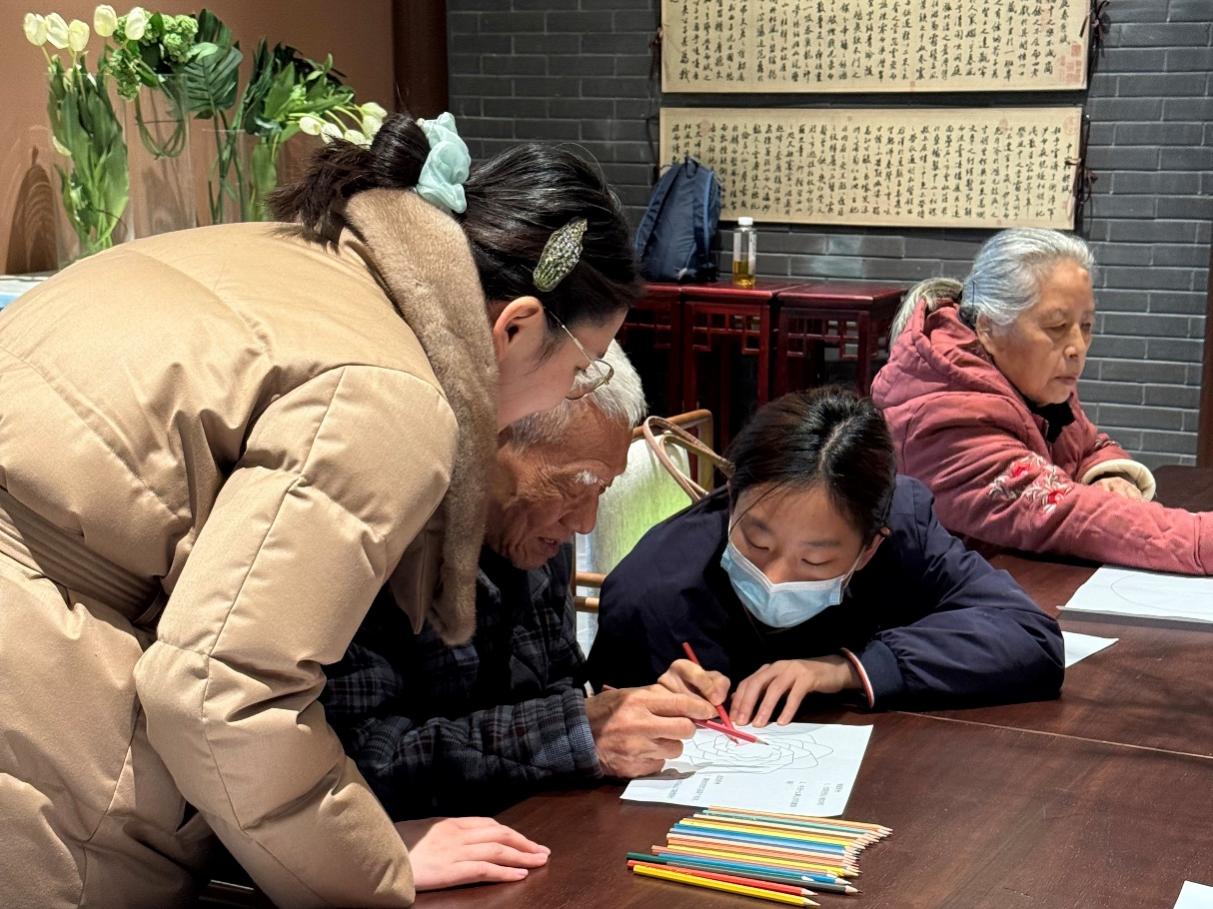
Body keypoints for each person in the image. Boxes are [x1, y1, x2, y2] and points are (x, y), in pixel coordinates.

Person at [0, 112, 640, 908]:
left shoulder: (281, 253)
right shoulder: (391, 386)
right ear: (515, 327)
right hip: (40, 690)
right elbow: (221, 693)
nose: (574, 392)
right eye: (583, 369)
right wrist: (372, 859)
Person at [322, 342, 719, 820]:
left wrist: (626, 712)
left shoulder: (538, 539)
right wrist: (576, 730)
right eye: (576, 483)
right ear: (489, 441)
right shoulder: (376, 541)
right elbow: (361, 762)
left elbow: (557, 690)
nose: (586, 523)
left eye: (603, 488)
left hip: (526, 824)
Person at [587, 388, 1064, 724]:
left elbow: (1029, 636)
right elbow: (603, 722)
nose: (774, 577)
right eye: (757, 541)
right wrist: (646, 701)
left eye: (814, 562)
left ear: (869, 548)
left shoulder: (902, 527)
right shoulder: (650, 593)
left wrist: (845, 669)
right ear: (731, 497)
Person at [872, 228, 1213, 575]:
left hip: (1012, 579)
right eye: (1057, 326)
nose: (1077, 347)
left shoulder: (1031, 381)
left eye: (1086, 325)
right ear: (988, 328)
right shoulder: (941, 411)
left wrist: (1107, 474)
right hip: (935, 599)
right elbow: (1062, 511)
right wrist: (1201, 539)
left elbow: (1087, 443)